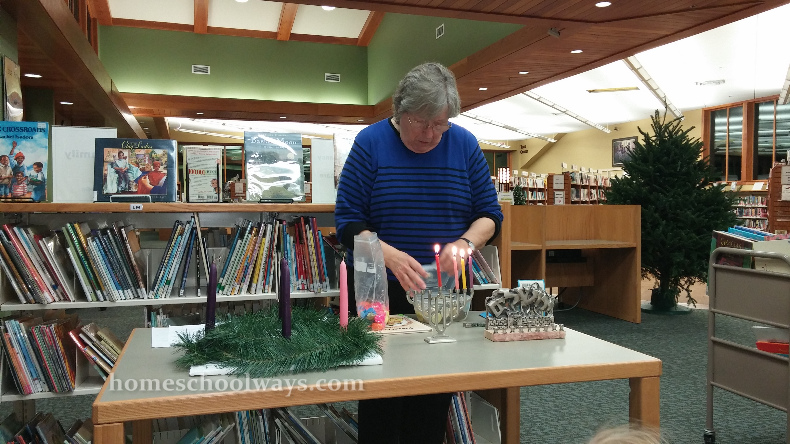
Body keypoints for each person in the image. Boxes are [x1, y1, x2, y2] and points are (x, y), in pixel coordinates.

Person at [335, 62, 502, 444]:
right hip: (381, 297)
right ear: (400, 111)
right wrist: (388, 255)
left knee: (430, 403)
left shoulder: (464, 145)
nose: (430, 134)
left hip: (442, 297)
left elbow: (490, 215)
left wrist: (465, 244)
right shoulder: (371, 143)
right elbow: (347, 222)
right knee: (382, 403)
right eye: (421, 122)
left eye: (440, 124)